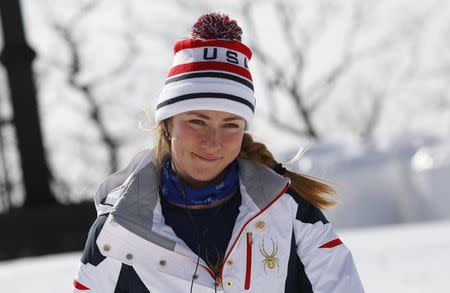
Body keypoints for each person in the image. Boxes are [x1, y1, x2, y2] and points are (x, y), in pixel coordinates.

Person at [73, 12, 364, 293]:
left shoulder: (289, 211)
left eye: (230, 125)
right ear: (167, 125)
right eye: (197, 121)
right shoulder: (117, 231)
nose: (212, 142)